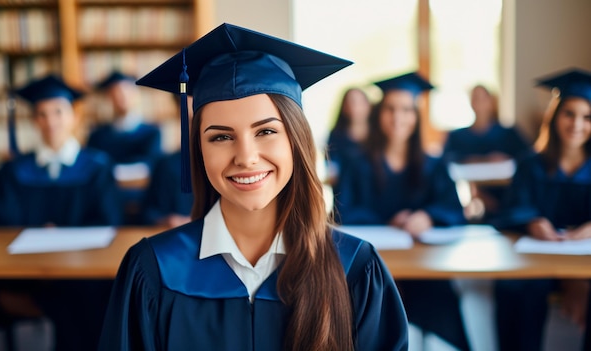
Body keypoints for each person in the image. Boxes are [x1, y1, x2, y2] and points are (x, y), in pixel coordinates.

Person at [98, 23, 409, 351]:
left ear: (296, 140)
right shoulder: (154, 269)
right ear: (197, 150)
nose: (246, 157)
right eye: (220, 137)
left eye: (266, 131)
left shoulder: (355, 268)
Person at [0, 74, 121, 351]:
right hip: (27, 271)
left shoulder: (97, 168)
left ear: (73, 117)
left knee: (81, 293)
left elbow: (109, 220)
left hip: (83, 269)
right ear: (34, 121)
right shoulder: (12, 172)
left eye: (58, 112)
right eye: (41, 114)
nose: (50, 121)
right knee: (73, 301)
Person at [333, 72, 470, 351]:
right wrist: (388, 222)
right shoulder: (357, 163)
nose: (398, 118)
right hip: (372, 266)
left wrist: (429, 216)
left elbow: (455, 211)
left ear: (417, 116)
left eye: (407, 110)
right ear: (378, 114)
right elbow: (341, 211)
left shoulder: (434, 164)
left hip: (424, 267)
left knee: (438, 299)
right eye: (390, 109)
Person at [494, 68, 591, 351]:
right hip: (536, 262)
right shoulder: (529, 165)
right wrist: (531, 221)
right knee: (515, 286)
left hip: (585, 266)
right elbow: (511, 208)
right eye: (569, 114)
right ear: (555, 116)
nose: (577, 124)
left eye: (587, 117)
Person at [443, 84, 531, 221]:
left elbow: (527, 156)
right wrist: (478, 160)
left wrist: (505, 158)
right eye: (474, 98)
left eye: (483, 98)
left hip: (504, 195)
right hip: (468, 195)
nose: (478, 103)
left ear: (491, 102)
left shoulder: (508, 133)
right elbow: (446, 159)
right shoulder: (457, 136)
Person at [86, 70, 163, 224]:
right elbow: (92, 168)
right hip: (107, 196)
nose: (121, 98)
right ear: (108, 97)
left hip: (142, 193)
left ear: (135, 95)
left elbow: (152, 166)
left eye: (126, 92)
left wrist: (111, 170)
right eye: (115, 93)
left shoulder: (152, 132)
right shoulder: (97, 135)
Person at [325, 87, 371, 187]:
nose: (355, 107)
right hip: (345, 192)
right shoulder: (336, 136)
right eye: (350, 102)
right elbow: (332, 169)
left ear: (368, 105)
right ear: (344, 107)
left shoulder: (377, 133)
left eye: (359, 102)